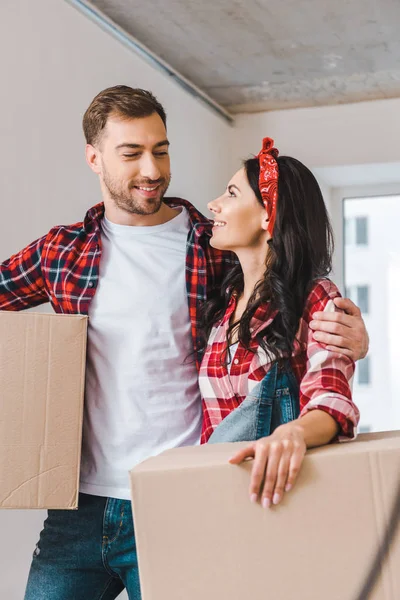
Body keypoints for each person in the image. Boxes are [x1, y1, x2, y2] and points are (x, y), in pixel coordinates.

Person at [0, 86, 367, 600]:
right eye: (131, 154)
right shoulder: (61, 252)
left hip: (177, 498)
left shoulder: (211, 245)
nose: (152, 169)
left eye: (161, 150)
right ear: (94, 158)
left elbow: (291, 290)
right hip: (78, 508)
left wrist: (352, 336)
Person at [199, 137, 360, 510]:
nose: (213, 204)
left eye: (231, 193)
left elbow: (331, 399)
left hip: (284, 502)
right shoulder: (225, 306)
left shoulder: (316, 297)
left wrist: (293, 433)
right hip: (218, 501)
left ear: (267, 217)